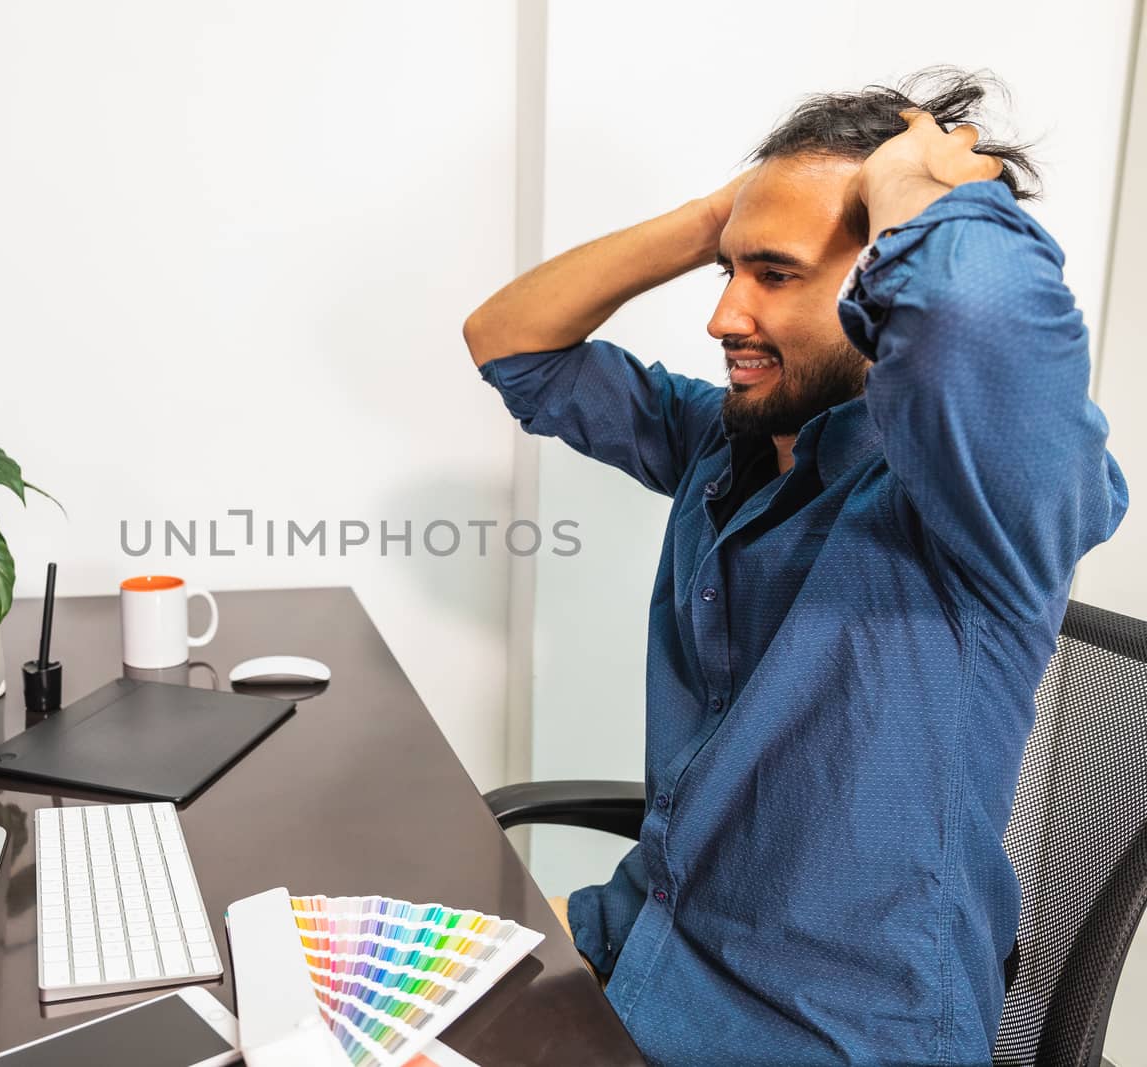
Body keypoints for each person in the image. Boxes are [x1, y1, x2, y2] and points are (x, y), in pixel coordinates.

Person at [465, 68, 1128, 1066]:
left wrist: (913, 185)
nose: (724, 315)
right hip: (655, 939)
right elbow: (514, 343)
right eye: (726, 272)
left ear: (886, 281)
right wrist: (715, 221)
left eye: (774, 275)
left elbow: (975, 313)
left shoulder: (980, 501)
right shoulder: (722, 440)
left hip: (823, 1031)